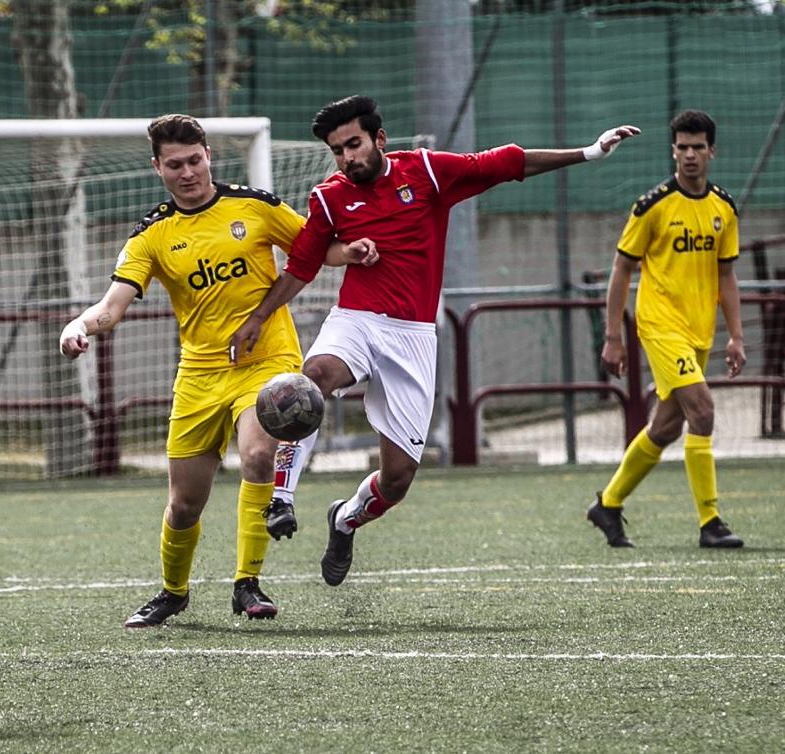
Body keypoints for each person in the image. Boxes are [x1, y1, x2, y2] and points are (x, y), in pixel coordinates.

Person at [228, 95, 640, 585]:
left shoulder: (424, 171)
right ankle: (283, 497)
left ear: (379, 139)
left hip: (413, 336)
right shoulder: (328, 198)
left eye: (354, 145)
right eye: (338, 151)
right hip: (356, 319)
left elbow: (505, 163)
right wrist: (258, 317)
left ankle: (345, 519)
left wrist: (589, 152)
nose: (347, 158)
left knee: (398, 480)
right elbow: (301, 266)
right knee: (310, 382)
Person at [59, 114, 375, 628]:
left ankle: (247, 584)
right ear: (157, 167)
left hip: (266, 363)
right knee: (184, 505)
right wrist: (79, 325)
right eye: (175, 165)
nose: (188, 172)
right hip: (200, 376)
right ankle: (172, 591)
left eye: (195, 160)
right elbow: (112, 307)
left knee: (257, 454)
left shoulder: (255, 206)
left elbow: (317, 250)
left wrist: (351, 251)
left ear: (210, 156)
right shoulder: (152, 236)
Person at [586, 109, 746, 549]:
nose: (690, 155)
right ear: (673, 151)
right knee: (704, 411)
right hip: (659, 325)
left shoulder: (724, 208)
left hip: (699, 330)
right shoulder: (652, 206)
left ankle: (609, 504)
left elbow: (726, 276)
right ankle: (710, 521)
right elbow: (620, 271)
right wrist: (614, 336)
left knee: (667, 427)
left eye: (698, 147)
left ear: (712, 150)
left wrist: (736, 335)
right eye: (682, 147)